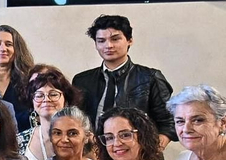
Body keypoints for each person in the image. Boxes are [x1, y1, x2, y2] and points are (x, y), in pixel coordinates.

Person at [72, 15, 177, 144]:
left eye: (115, 39)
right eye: (101, 41)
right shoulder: (82, 80)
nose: (108, 45)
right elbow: (76, 122)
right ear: (96, 44)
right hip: (94, 155)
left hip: (138, 156)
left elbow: (169, 123)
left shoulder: (149, 77)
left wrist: (153, 151)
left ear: (129, 40)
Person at [0, 24, 36, 130]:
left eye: (9, 44)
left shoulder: (30, 80)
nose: (3, 48)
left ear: (17, 49)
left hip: (22, 139)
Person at [19, 66, 76, 160]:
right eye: (39, 95)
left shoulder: (84, 138)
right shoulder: (19, 141)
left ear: (65, 99)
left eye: (53, 94)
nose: (46, 100)